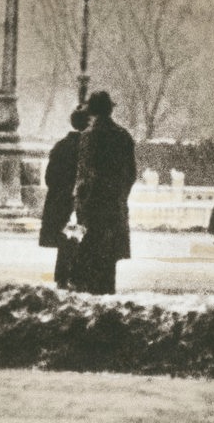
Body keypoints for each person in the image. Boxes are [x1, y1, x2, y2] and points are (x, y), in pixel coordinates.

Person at [73, 91, 137, 295]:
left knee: (91, 255)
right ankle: (108, 297)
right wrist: (120, 195)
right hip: (114, 205)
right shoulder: (123, 136)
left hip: (93, 206)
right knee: (109, 259)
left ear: (92, 111)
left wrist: (81, 203)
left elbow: (85, 175)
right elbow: (131, 174)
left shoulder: (89, 136)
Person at [41, 106, 89, 287]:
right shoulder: (88, 148)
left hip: (61, 203)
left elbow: (49, 178)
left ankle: (61, 277)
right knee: (81, 241)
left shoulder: (61, 146)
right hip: (80, 202)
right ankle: (77, 278)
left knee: (65, 242)